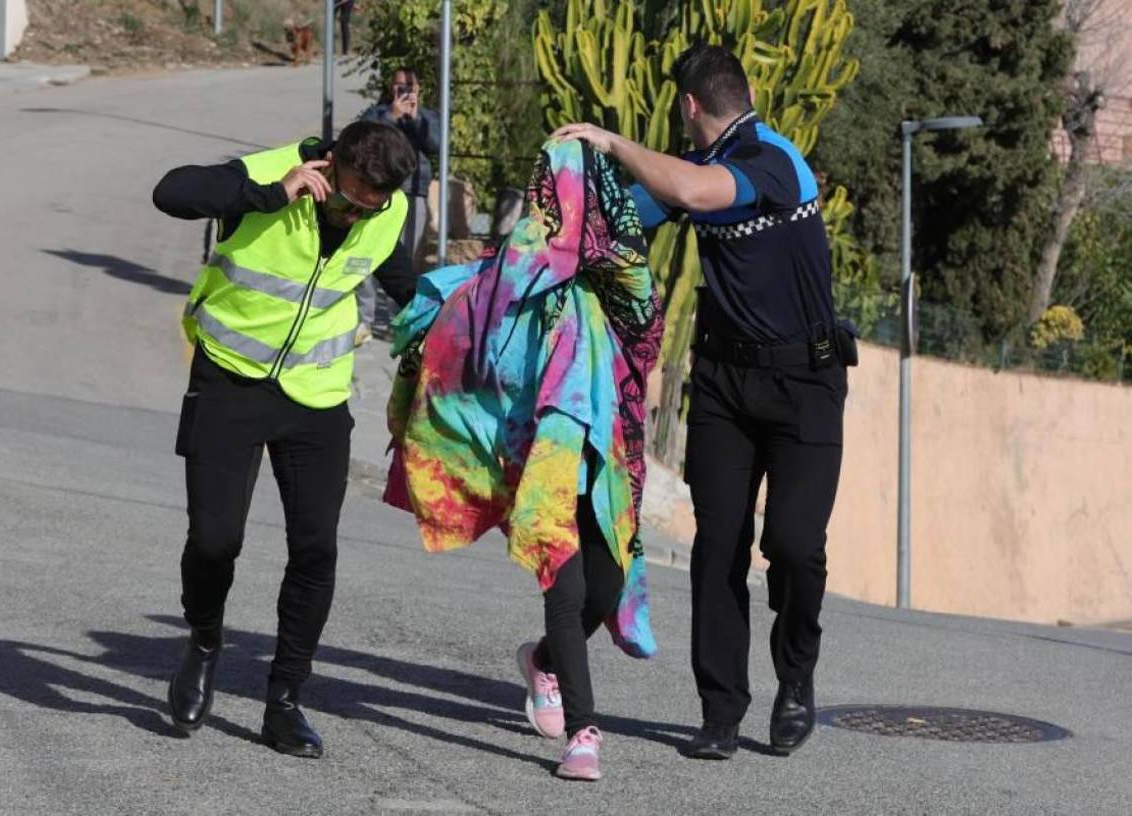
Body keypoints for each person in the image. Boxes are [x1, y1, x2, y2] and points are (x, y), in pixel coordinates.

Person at [554, 43, 856, 759]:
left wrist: (612, 141)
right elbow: (622, 220)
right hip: (724, 384)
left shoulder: (776, 160)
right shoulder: (696, 166)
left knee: (794, 545)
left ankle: (796, 677)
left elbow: (695, 192)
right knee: (718, 546)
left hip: (805, 383)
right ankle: (721, 712)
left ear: (690, 105)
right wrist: (558, 207)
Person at [382, 139, 663, 780]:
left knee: (605, 587)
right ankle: (584, 734)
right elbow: (465, 340)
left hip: (603, 453)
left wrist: (611, 147)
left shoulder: (620, 263)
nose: (570, 208)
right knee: (564, 581)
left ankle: (542, 662)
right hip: (542, 456)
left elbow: (646, 322)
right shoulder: (512, 272)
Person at [151, 121, 417, 757]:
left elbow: (405, 285)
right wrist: (269, 193)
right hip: (230, 379)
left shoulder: (386, 211)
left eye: (371, 207)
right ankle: (205, 640)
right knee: (215, 540)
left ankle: (286, 700)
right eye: (349, 200)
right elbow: (171, 192)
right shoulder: (269, 173)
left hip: (316, 395)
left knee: (315, 550)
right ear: (329, 165)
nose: (357, 215)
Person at [355, 67, 441, 339]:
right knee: (365, 250)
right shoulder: (378, 114)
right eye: (398, 86)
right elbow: (362, 137)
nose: (404, 91)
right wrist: (392, 116)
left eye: (409, 87)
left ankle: (398, 320)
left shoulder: (427, 117)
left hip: (414, 193)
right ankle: (364, 320)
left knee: (405, 259)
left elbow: (437, 145)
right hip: (379, 190)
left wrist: (416, 119)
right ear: (390, 88)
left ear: (418, 89)